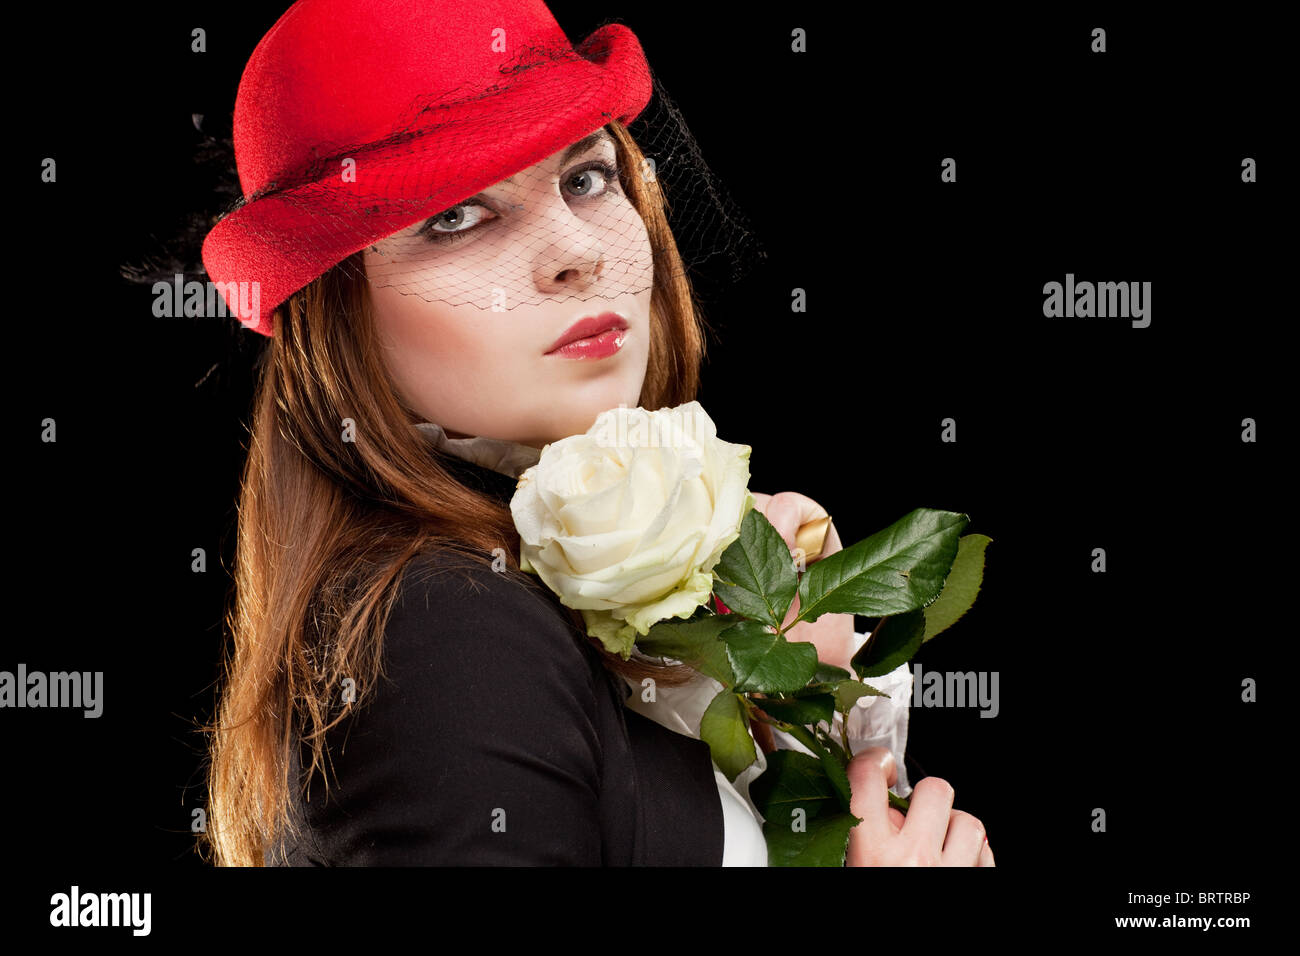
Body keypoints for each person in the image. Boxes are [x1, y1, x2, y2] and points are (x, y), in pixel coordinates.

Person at [195, 0, 993, 866]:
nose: (577, 249)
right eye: (456, 216)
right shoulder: (442, 629)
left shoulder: (506, 590)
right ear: (334, 311)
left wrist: (762, 667)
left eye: (585, 178)